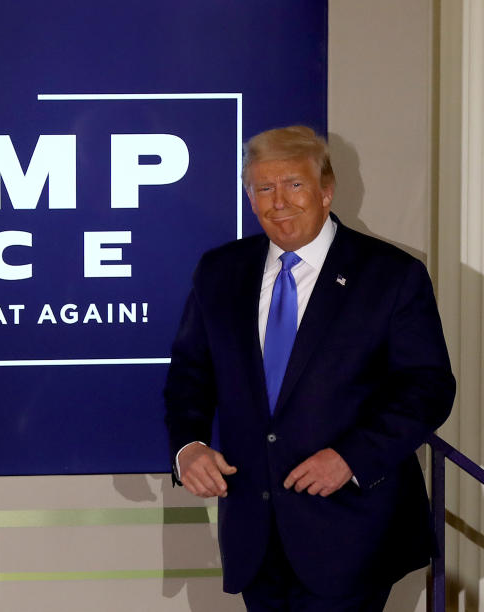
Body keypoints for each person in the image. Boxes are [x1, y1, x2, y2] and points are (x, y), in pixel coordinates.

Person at [163, 125, 455, 611]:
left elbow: (428, 388)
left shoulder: (391, 275)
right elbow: (191, 377)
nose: (279, 202)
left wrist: (350, 457)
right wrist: (188, 446)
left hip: (352, 528)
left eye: (294, 184)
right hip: (254, 534)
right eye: (264, 188)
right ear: (250, 198)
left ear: (326, 190)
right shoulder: (220, 271)